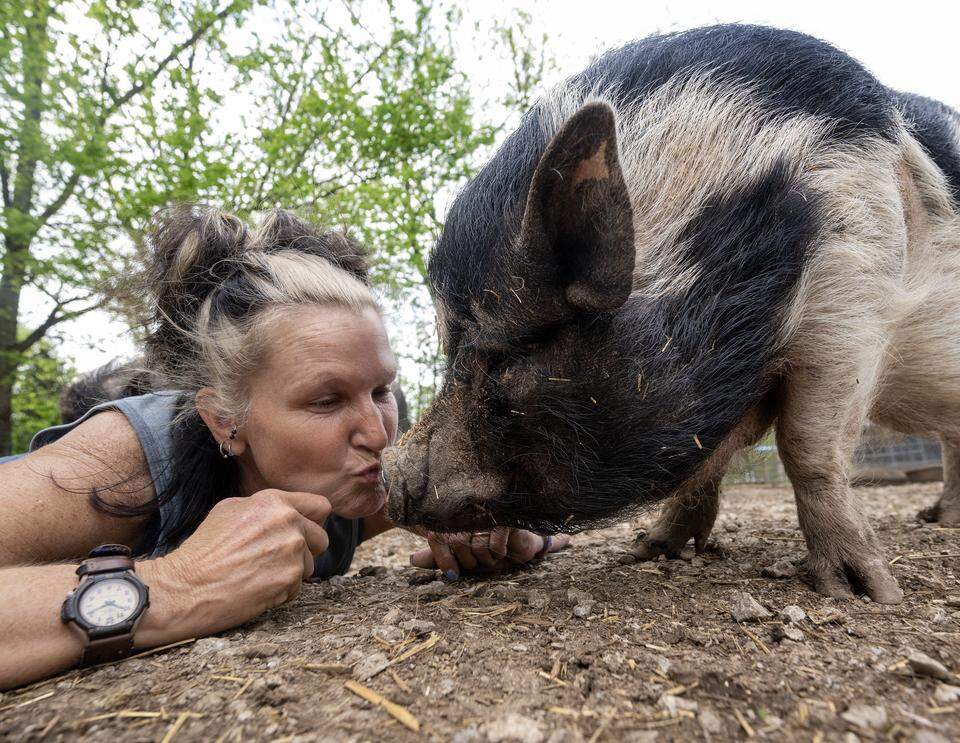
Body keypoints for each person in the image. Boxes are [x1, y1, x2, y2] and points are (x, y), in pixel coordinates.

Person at [0, 206, 566, 690]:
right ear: (225, 421)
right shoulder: (126, 461)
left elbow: (476, 511)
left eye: (381, 390)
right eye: (326, 401)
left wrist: (481, 522)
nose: (377, 433)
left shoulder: (359, 491)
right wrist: (179, 586)